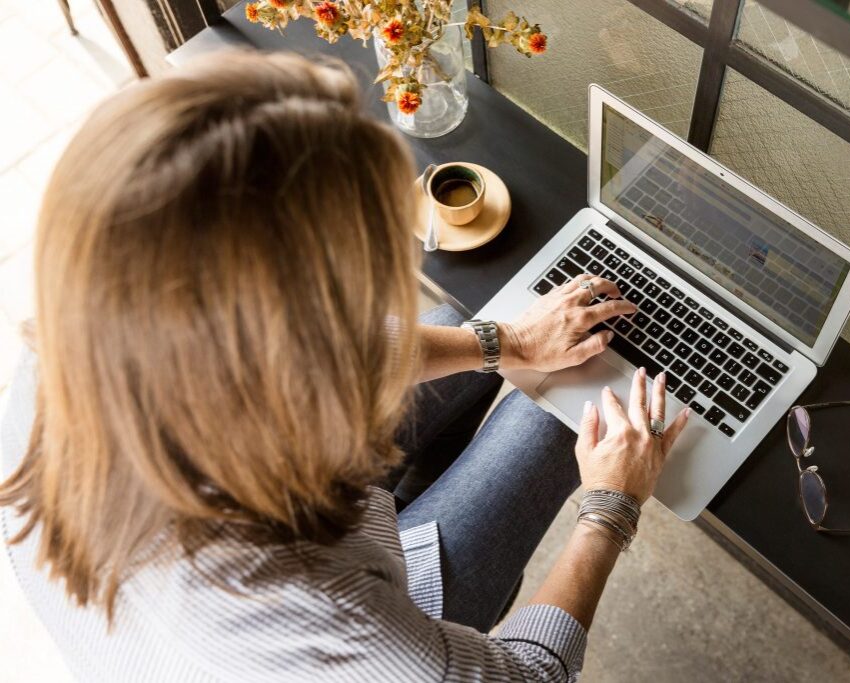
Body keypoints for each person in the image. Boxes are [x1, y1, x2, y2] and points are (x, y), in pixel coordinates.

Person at [0, 50, 689, 682]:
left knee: (476, 335)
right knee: (563, 417)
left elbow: (343, 345)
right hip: (362, 614)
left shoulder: (76, 335)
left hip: (284, 517)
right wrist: (610, 508)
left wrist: (505, 341)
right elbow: (527, 676)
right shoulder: (317, 613)